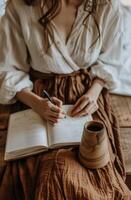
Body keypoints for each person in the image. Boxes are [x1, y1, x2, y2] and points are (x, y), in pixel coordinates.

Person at [0, 0, 131, 199]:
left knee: (92, 167)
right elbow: (8, 67)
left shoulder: (107, 6)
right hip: (38, 93)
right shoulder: (20, 6)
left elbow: (112, 59)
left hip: (85, 93)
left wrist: (94, 92)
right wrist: (37, 103)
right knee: (48, 171)